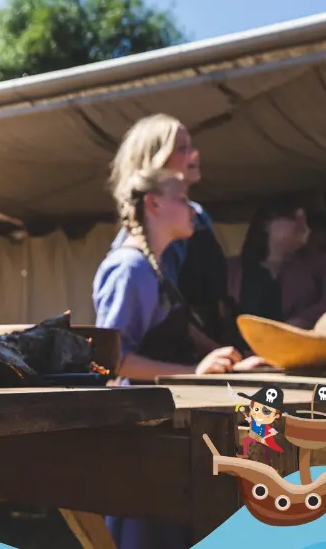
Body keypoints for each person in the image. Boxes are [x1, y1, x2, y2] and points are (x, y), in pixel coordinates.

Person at [96, 168, 247, 549]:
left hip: (164, 431)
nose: (194, 208)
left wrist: (228, 366)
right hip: (139, 438)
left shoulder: (157, 268)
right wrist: (194, 373)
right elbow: (112, 360)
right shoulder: (129, 269)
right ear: (154, 203)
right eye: (183, 198)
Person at [108, 113, 244, 353]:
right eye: (182, 148)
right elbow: (159, 323)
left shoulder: (198, 216)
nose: (194, 154)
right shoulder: (132, 259)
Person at [227, 198, 326, 329]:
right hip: (241, 347)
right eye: (294, 218)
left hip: (304, 346)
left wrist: (303, 321)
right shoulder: (230, 269)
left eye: (306, 221)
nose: (304, 227)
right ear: (266, 223)